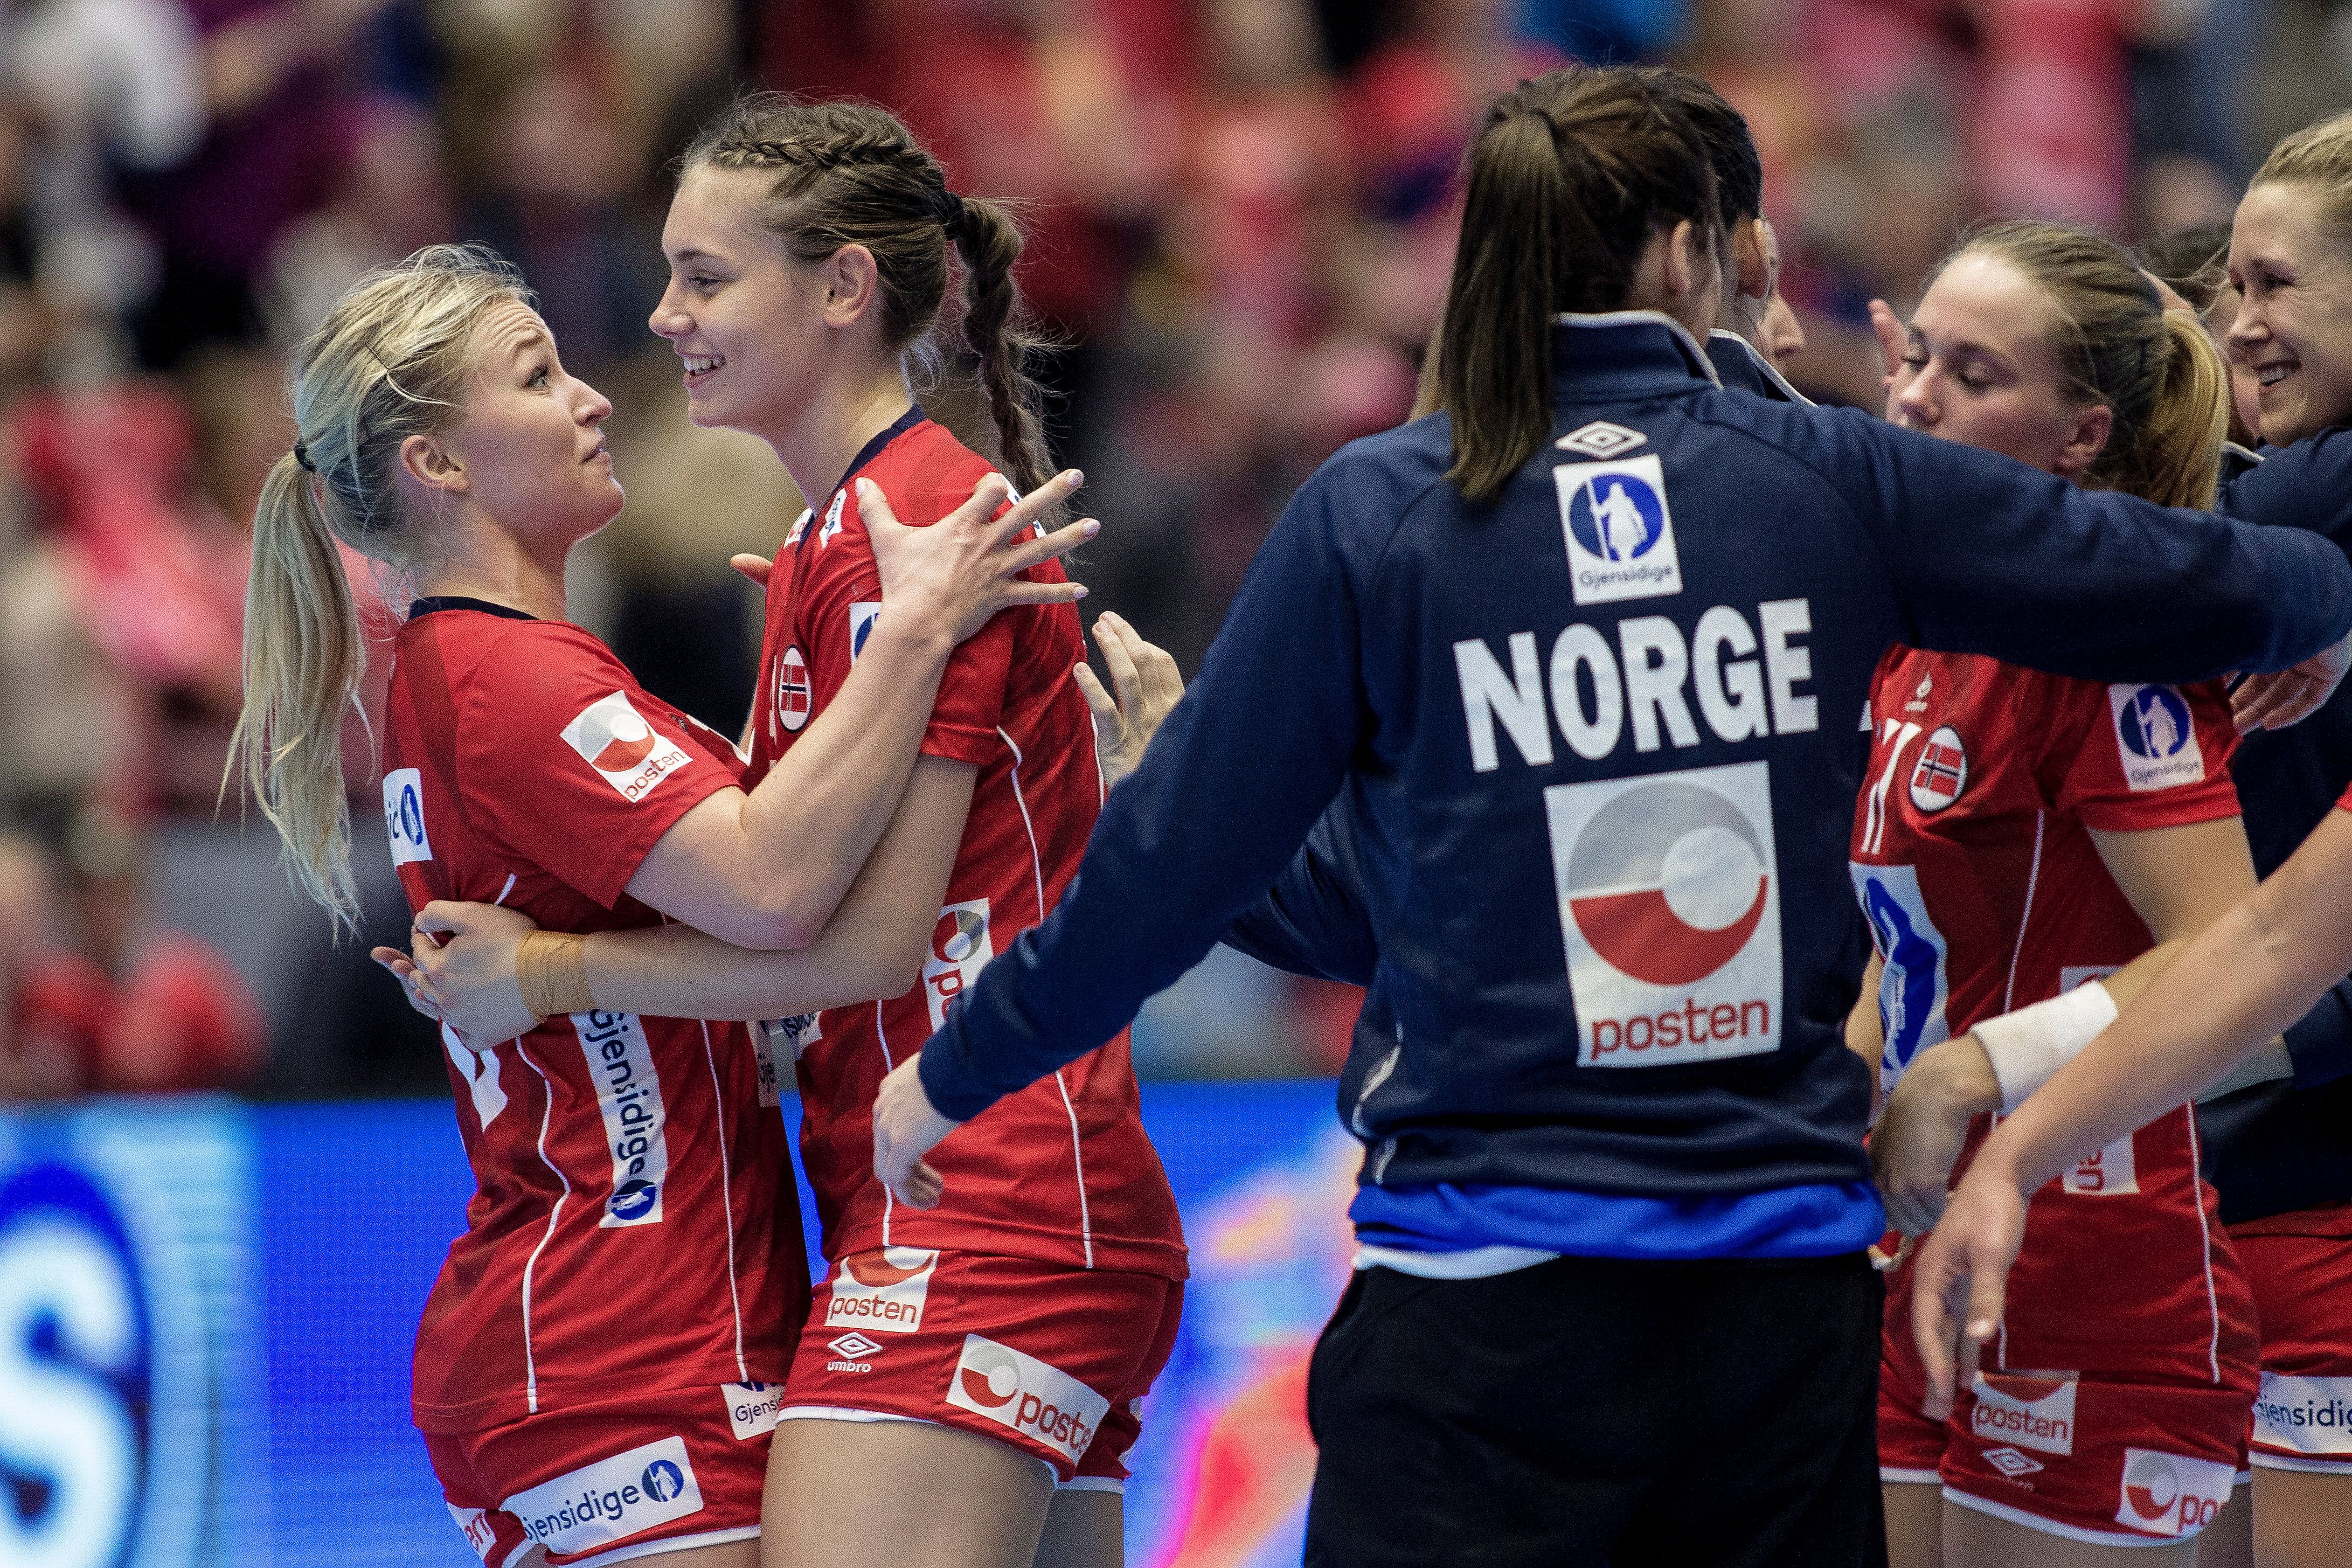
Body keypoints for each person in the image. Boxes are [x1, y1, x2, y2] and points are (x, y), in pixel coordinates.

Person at [861, 64, 2352, 1568]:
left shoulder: (1381, 509)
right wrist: (2318, 613)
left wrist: (965, 1061)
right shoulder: (1830, 482)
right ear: (1695, 253)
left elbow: (1173, 870)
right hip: (1772, 1325)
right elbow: (2233, 582)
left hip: (1480, 1310)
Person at [396, 96, 1188, 1568]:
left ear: (841, 290)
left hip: (983, 1202)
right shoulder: (848, 540)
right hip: (979, 1196)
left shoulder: (909, 530)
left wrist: (549, 971)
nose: (663, 316)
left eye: (704, 277)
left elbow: (865, 941)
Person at [232, 243, 1093, 1568]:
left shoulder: (510, 672)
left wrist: (832, 656)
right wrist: (915, 631)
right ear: (437, 464)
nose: (591, 397)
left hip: (636, 1317)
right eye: (536, 377)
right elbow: (780, 892)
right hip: (619, 1331)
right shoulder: (508, 682)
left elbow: (762, 893)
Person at [1917, 113, 2352, 1568]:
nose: (2238, 323)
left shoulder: (2283, 511)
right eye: (2226, 288)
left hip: (2271, 1200)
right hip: (2214, 1180)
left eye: (2272, 284)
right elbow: (2274, 938)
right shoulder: (2265, 533)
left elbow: (2262, 950)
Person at [1854, 221, 2263, 1565]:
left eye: (1972, 375)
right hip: (1910, 1264)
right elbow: (1897, 950)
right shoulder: (1911, 633)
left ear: (2079, 436)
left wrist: (1969, 1072)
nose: (1917, 396)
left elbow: (2228, 951)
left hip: (2093, 1286)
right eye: (1916, 357)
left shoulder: (2108, 643)